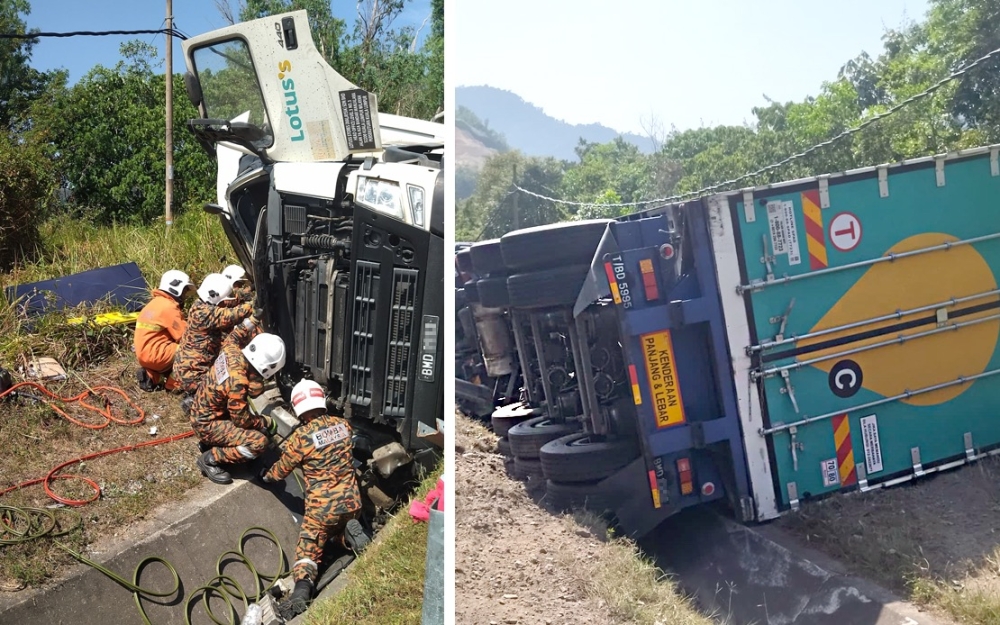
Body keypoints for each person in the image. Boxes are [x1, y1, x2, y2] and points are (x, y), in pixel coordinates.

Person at [259, 379, 370, 619]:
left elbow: (282, 470)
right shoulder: (343, 425)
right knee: (335, 532)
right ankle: (349, 536)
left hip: (322, 511)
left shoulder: (301, 438)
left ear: (298, 408)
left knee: (308, 548)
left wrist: (266, 477)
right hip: (353, 503)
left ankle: (301, 591)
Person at [189, 332, 286, 484]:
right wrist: (264, 422)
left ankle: (214, 442)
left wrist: (251, 321)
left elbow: (233, 336)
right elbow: (242, 420)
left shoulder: (231, 350)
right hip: (207, 425)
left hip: (202, 411)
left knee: (253, 427)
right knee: (258, 442)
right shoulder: (239, 382)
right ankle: (211, 458)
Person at [172, 273, 254, 395]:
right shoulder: (204, 313)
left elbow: (228, 303)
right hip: (195, 376)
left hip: (187, 371)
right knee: (234, 383)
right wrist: (255, 303)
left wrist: (249, 290)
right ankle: (197, 397)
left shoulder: (200, 305)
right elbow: (234, 314)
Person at [134, 269, 193, 392]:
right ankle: (174, 384)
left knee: (174, 349)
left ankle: (152, 376)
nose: (184, 296)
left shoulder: (153, 304)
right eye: (185, 291)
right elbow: (185, 336)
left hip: (144, 355)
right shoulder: (169, 307)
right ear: (176, 287)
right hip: (157, 354)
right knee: (193, 349)